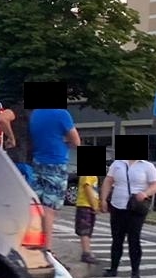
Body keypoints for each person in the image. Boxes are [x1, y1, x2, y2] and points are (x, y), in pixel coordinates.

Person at [27, 103, 81, 244]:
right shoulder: (61, 114)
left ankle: (33, 240)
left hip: (38, 161)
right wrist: (64, 141)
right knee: (49, 208)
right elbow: (76, 141)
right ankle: (47, 247)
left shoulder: (35, 114)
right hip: (56, 162)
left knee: (37, 205)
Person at [104, 154, 156, 278]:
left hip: (136, 208)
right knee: (117, 239)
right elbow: (108, 181)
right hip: (118, 205)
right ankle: (113, 268)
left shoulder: (147, 166)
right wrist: (103, 199)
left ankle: (135, 271)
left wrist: (145, 193)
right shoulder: (118, 164)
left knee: (134, 239)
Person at [72, 170, 101, 265]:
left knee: (88, 230)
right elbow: (87, 188)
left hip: (89, 205)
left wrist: (97, 204)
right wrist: (94, 205)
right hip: (85, 205)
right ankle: (86, 253)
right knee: (85, 230)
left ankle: (87, 251)